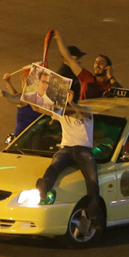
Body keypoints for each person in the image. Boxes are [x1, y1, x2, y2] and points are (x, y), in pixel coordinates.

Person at [35, 89, 101, 235]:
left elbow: (83, 113)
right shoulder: (61, 111)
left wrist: (72, 102)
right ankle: (43, 187)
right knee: (55, 166)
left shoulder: (86, 109)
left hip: (83, 150)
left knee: (92, 180)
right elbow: (37, 108)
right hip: (66, 149)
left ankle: (94, 216)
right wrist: (30, 92)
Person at [51, 27, 121, 100]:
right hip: (85, 111)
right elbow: (68, 58)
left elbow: (124, 96)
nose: (97, 65)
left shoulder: (111, 86)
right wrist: (59, 39)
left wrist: (110, 77)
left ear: (108, 68)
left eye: (101, 63)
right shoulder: (86, 77)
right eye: (96, 62)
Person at [1, 69, 41, 136]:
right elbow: (14, 97)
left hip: (36, 135)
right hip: (22, 137)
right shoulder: (24, 99)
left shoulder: (38, 98)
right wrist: (5, 91)